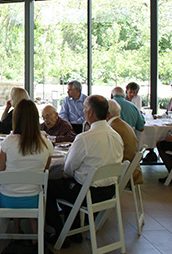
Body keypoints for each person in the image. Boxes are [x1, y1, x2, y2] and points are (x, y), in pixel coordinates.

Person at [45, 95, 123, 245]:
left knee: (48, 186)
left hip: (87, 193)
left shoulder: (85, 138)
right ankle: (73, 230)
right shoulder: (116, 136)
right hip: (109, 191)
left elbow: (68, 170)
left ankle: (60, 231)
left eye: (84, 109)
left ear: (91, 112)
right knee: (68, 184)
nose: (83, 112)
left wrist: (67, 173)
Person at [0, 99, 53, 238]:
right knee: (29, 187)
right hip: (34, 200)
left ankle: (16, 230)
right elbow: (44, 172)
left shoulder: (9, 142)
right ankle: (34, 237)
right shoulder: (46, 144)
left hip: (8, 199)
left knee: (14, 186)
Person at [106, 99, 142, 186]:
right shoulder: (123, 124)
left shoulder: (113, 129)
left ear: (107, 113)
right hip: (133, 169)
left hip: (123, 173)